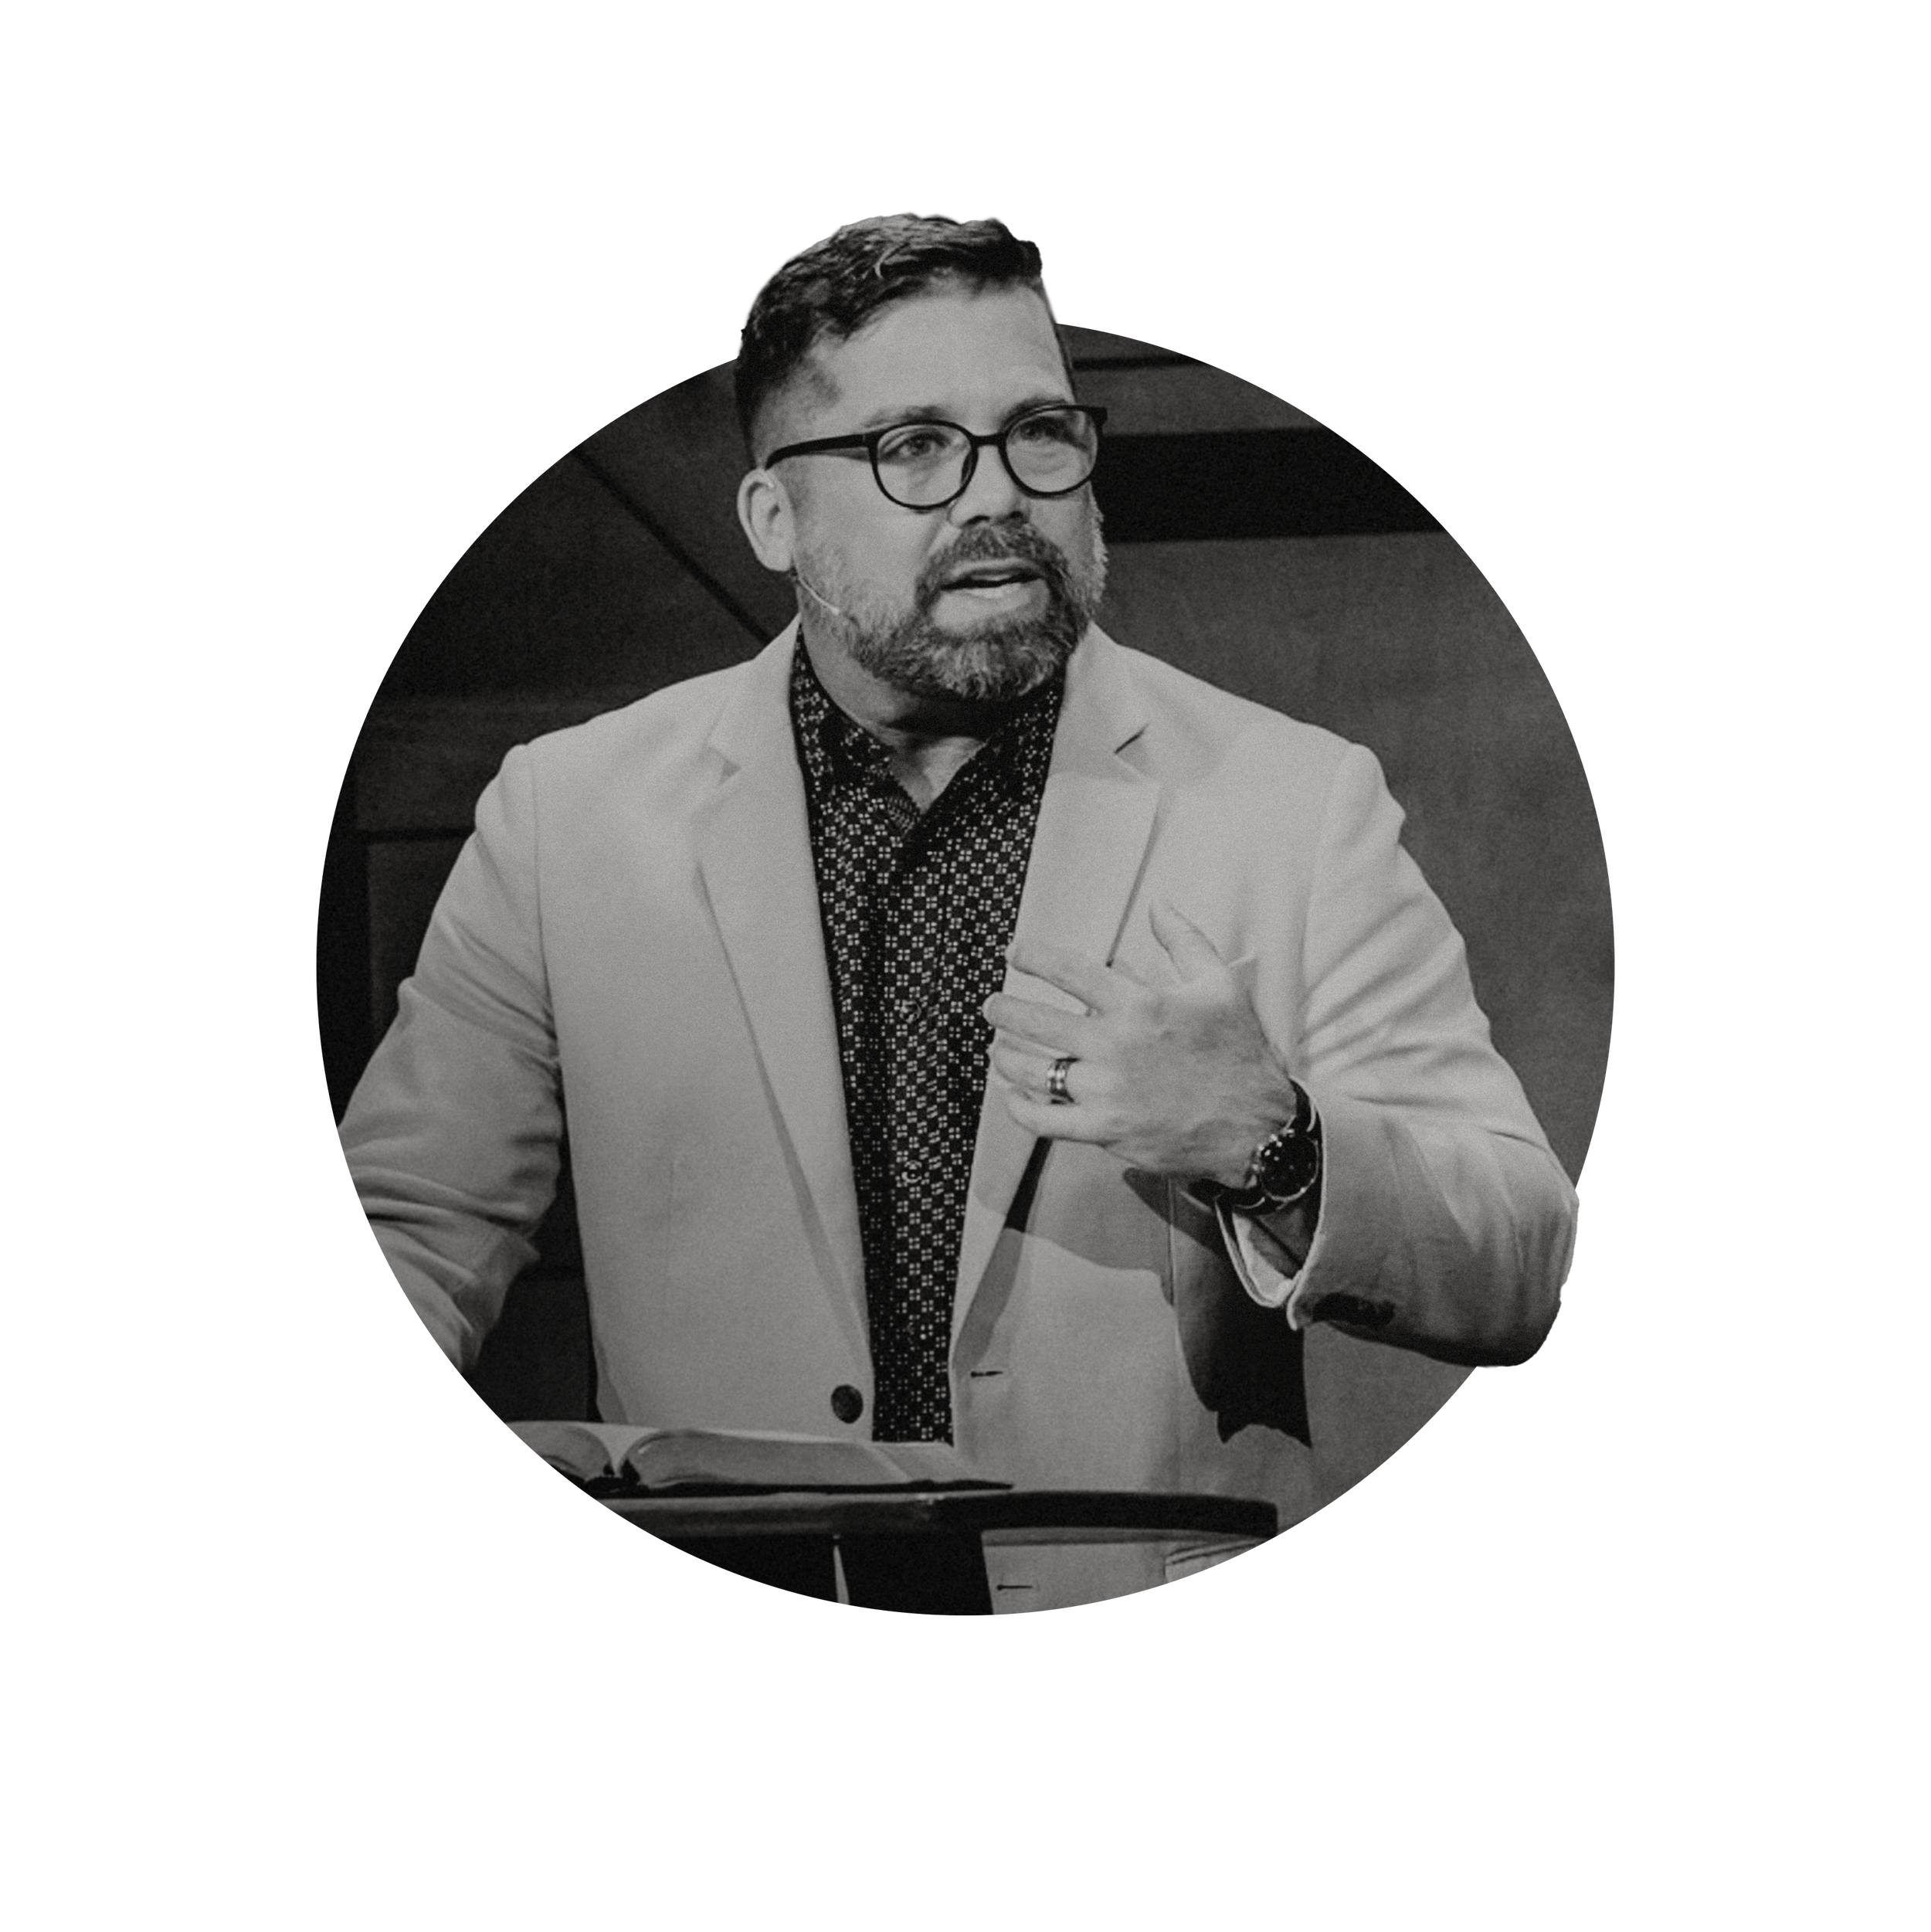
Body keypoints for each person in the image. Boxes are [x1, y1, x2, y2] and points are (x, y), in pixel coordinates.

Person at [347, 211, 1580, 1611]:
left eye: (1038, 432)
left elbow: (1519, 1260)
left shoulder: (1291, 802)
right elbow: (411, 1225)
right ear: (773, 515)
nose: (998, 494)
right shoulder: (567, 816)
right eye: (914, 446)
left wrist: (1274, 1141)